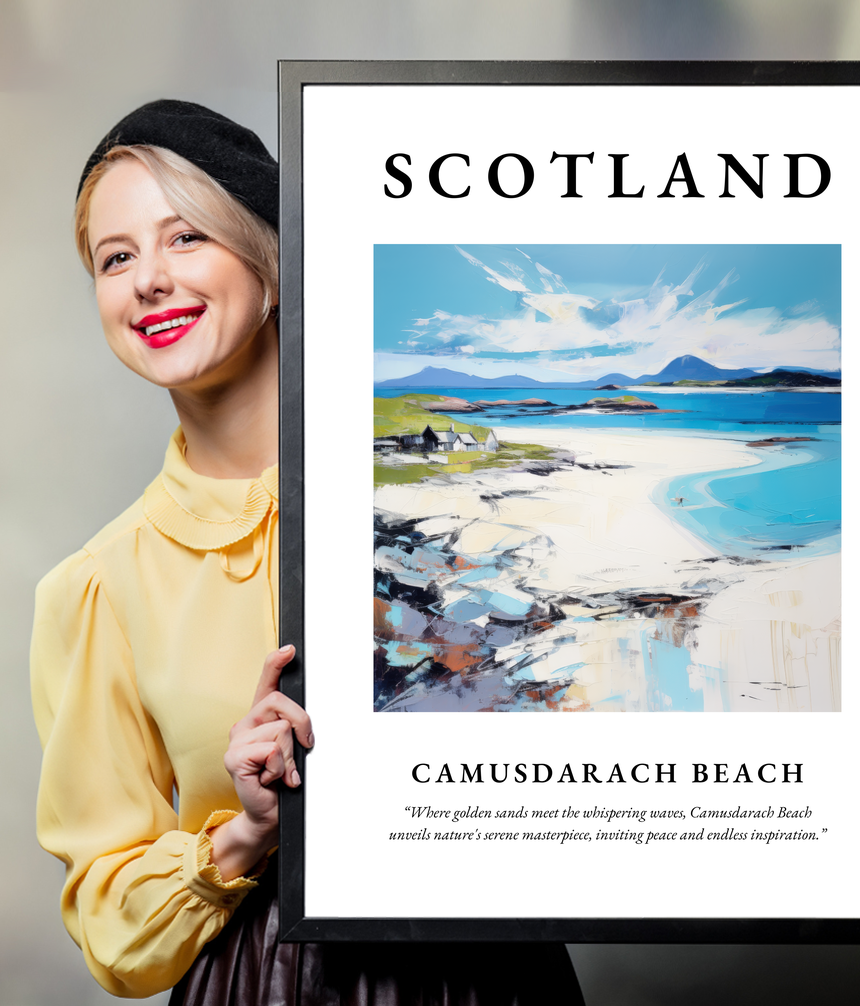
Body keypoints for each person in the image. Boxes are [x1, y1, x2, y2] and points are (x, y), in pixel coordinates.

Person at [30, 100, 586, 1004]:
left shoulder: (442, 501)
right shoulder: (97, 587)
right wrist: (245, 832)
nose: (148, 281)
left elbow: (599, 706)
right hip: (262, 982)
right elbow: (110, 924)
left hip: (492, 973)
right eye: (116, 257)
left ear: (272, 263)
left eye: (185, 239)